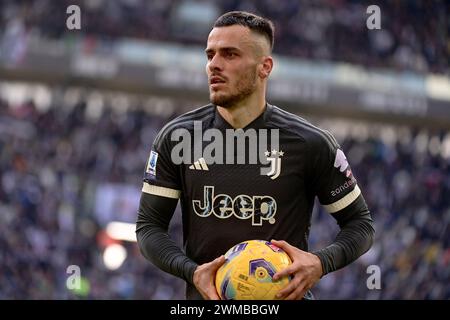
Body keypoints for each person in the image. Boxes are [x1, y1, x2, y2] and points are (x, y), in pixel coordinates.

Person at [136, 11, 374, 300]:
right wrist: (191, 270)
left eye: (230, 55)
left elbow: (360, 224)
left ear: (265, 67)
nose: (214, 65)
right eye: (210, 55)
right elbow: (149, 228)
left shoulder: (310, 143)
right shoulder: (178, 138)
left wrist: (321, 262)